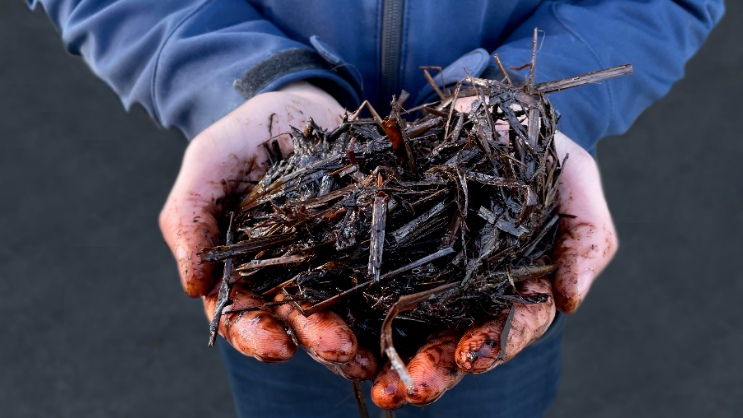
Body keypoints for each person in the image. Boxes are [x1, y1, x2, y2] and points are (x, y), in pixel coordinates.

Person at [29, 1, 724, 416]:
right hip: (290, 282)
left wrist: (535, 108)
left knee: (486, 383)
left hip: (487, 275)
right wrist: (240, 85)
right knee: (290, 381)